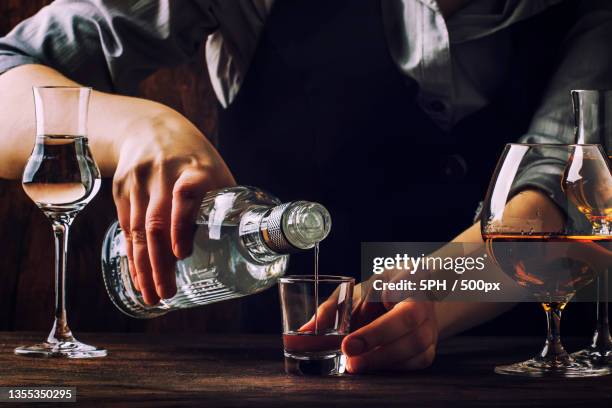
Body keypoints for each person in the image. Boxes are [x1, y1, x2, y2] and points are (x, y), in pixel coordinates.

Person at [0, 0, 610, 373]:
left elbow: (568, 210)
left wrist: (430, 295)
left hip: (538, 379)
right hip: (278, 388)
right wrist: (139, 127)